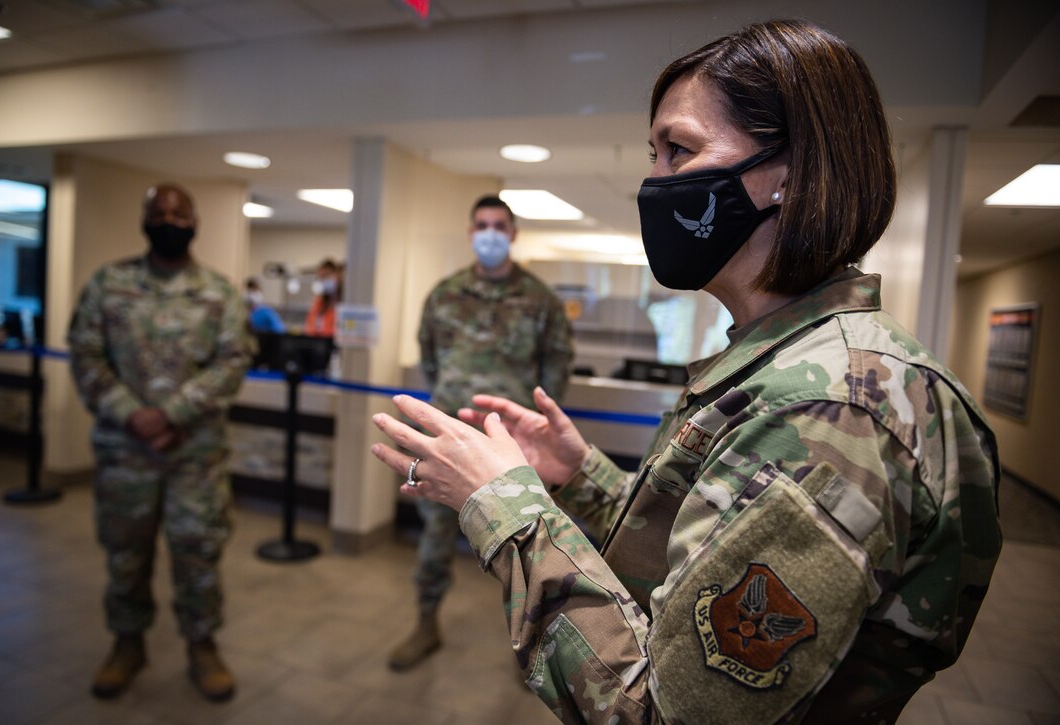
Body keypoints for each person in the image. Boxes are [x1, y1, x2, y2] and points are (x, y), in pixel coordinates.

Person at [371, 19, 1001, 723]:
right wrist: (580, 475)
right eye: (655, 153)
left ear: (787, 176)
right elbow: (691, 565)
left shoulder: (831, 411)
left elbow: (663, 712)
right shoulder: (780, 362)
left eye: (680, 150)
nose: (655, 180)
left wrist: (504, 506)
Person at [68, 183, 253, 702]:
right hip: (125, 454)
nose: (169, 218)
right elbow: (86, 354)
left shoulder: (219, 293)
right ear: (145, 220)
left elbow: (232, 361)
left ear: (195, 222)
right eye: (159, 211)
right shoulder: (109, 285)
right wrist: (133, 416)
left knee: (198, 553)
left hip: (194, 456)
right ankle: (127, 643)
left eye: (179, 211)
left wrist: (173, 413)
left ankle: (203, 645)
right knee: (125, 554)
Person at [387, 194, 575, 671]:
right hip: (450, 440)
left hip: (509, 450)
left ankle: (532, 650)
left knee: (522, 549)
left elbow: (556, 368)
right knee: (434, 536)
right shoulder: (444, 294)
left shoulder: (540, 300)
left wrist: (533, 431)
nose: (489, 232)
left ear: (512, 233)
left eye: (498, 225)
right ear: (472, 233)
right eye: (481, 225)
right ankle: (425, 622)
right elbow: (430, 358)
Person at [303, 258, 343, 337]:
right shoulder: (318, 302)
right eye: (321, 278)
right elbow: (309, 326)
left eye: (326, 276)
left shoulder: (341, 302)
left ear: (336, 275)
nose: (324, 281)